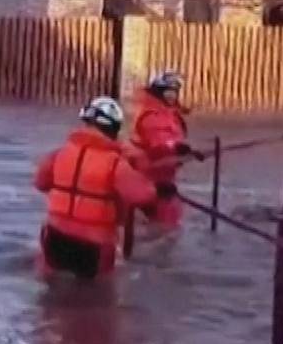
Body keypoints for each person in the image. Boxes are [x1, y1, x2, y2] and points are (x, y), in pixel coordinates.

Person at [34, 97, 159, 281]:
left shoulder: (58, 154)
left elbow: (40, 182)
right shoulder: (115, 163)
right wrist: (142, 166)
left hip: (54, 237)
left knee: (52, 296)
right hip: (94, 245)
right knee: (96, 302)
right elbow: (144, 196)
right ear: (113, 129)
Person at [128, 70, 203, 228]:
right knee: (166, 221)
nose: (172, 96)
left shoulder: (166, 112)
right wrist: (177, 147)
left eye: (174, 92)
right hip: (149, 177)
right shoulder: (152, 115)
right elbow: (158, 143)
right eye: (168, 91)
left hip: (160, 174)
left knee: (164, 220)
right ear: (159, 92)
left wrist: (189, 152)